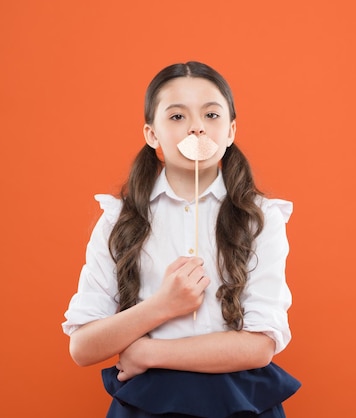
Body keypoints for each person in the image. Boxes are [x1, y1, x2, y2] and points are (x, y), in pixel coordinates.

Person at [62, 61, 300, 418]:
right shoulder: (119, 220)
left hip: (240, 402)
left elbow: (260, 346)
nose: (197, 128)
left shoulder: (260, 219)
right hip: (146, 406)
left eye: (211, 115)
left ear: (231, 130)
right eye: (176, 117)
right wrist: (163, 305)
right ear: (151, 134)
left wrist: (148, 353)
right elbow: (83, 346)